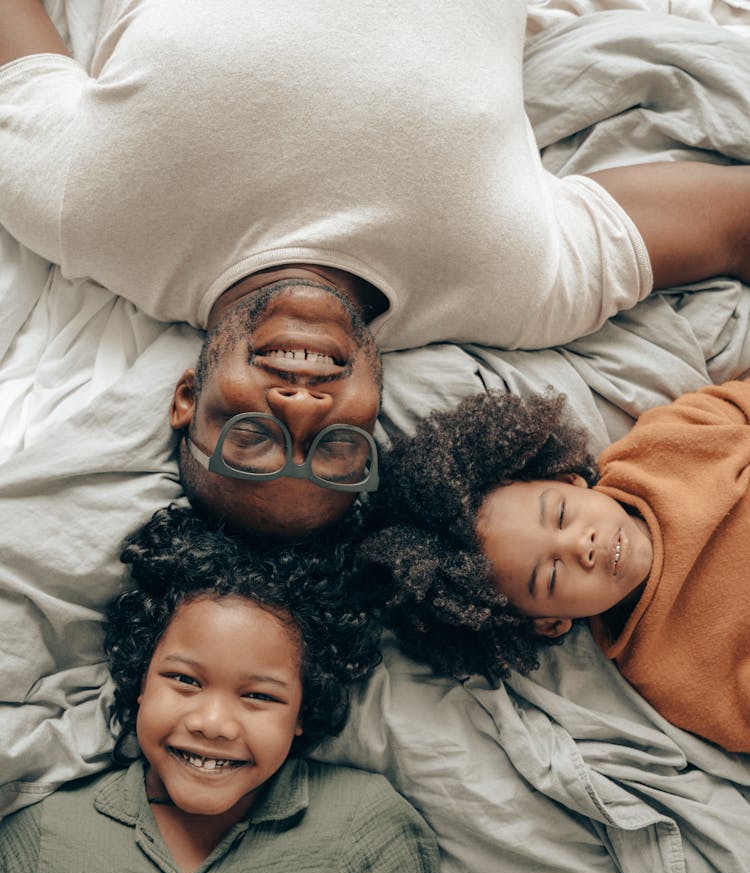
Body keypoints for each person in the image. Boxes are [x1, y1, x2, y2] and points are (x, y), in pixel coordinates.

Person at [4, 2, 750, 539]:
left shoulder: (84, 214)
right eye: (334, 448)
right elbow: (734, 223)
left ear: (189, 396)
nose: (300, 406)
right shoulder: (519, 288)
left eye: (253, 438)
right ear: (375, 416)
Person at [0, 505, 463, 873]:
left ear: (301, 714)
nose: (214, 724)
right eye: (184, 680)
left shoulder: (366, 828)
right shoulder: (41, 833)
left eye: (259, 696)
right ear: (139, 681)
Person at [356, 382, 750, 752]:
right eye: (552, 575)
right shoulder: (669, 673)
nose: (583, 545)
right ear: (549, 622)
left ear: (569, 479)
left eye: (561, 514)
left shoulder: (658, 449)